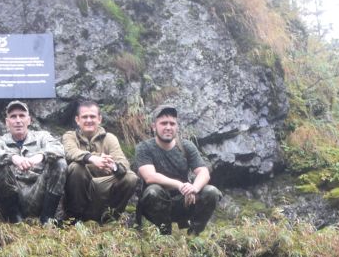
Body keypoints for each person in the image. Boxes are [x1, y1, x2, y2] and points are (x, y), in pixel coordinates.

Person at [134, 104, 221, 235]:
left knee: (211, 191)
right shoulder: (144, 148)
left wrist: (194, 188)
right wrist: (180, 185)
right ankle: (165, 235)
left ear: (177, 127)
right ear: (154, 126)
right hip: (156, 204)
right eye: (163, 123)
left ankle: (194, 234)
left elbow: (204, 172)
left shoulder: (186, 146)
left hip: (185, 201)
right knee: (153, 191)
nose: (168, 127)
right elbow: (150, 176)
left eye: (172, 124)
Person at [0, 100, 66, 224]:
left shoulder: (42, 137)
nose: (18, 120)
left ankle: (47, 220)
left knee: (60, 163)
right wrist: (13, 158)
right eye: (13, 116)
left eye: (22, 116)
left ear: (29, 120)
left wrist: (41, 156)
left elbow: (59, 149)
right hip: (12, 196)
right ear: (7, 122)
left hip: (38, 192)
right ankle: (15, 221)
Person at [62, 100, 137, 223]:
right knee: (76, 167)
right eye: (84, 117)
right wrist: (93, 159)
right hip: (79, 190)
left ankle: (110, 218)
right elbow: (70, 152)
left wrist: (113, 166)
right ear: (77, 120)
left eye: (92, 116)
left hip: (104, 188)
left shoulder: (110, 138)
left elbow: (123, 163)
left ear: (99, 119)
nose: (89, 120)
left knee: (130, 178)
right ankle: (74, 219)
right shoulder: (69, 136)